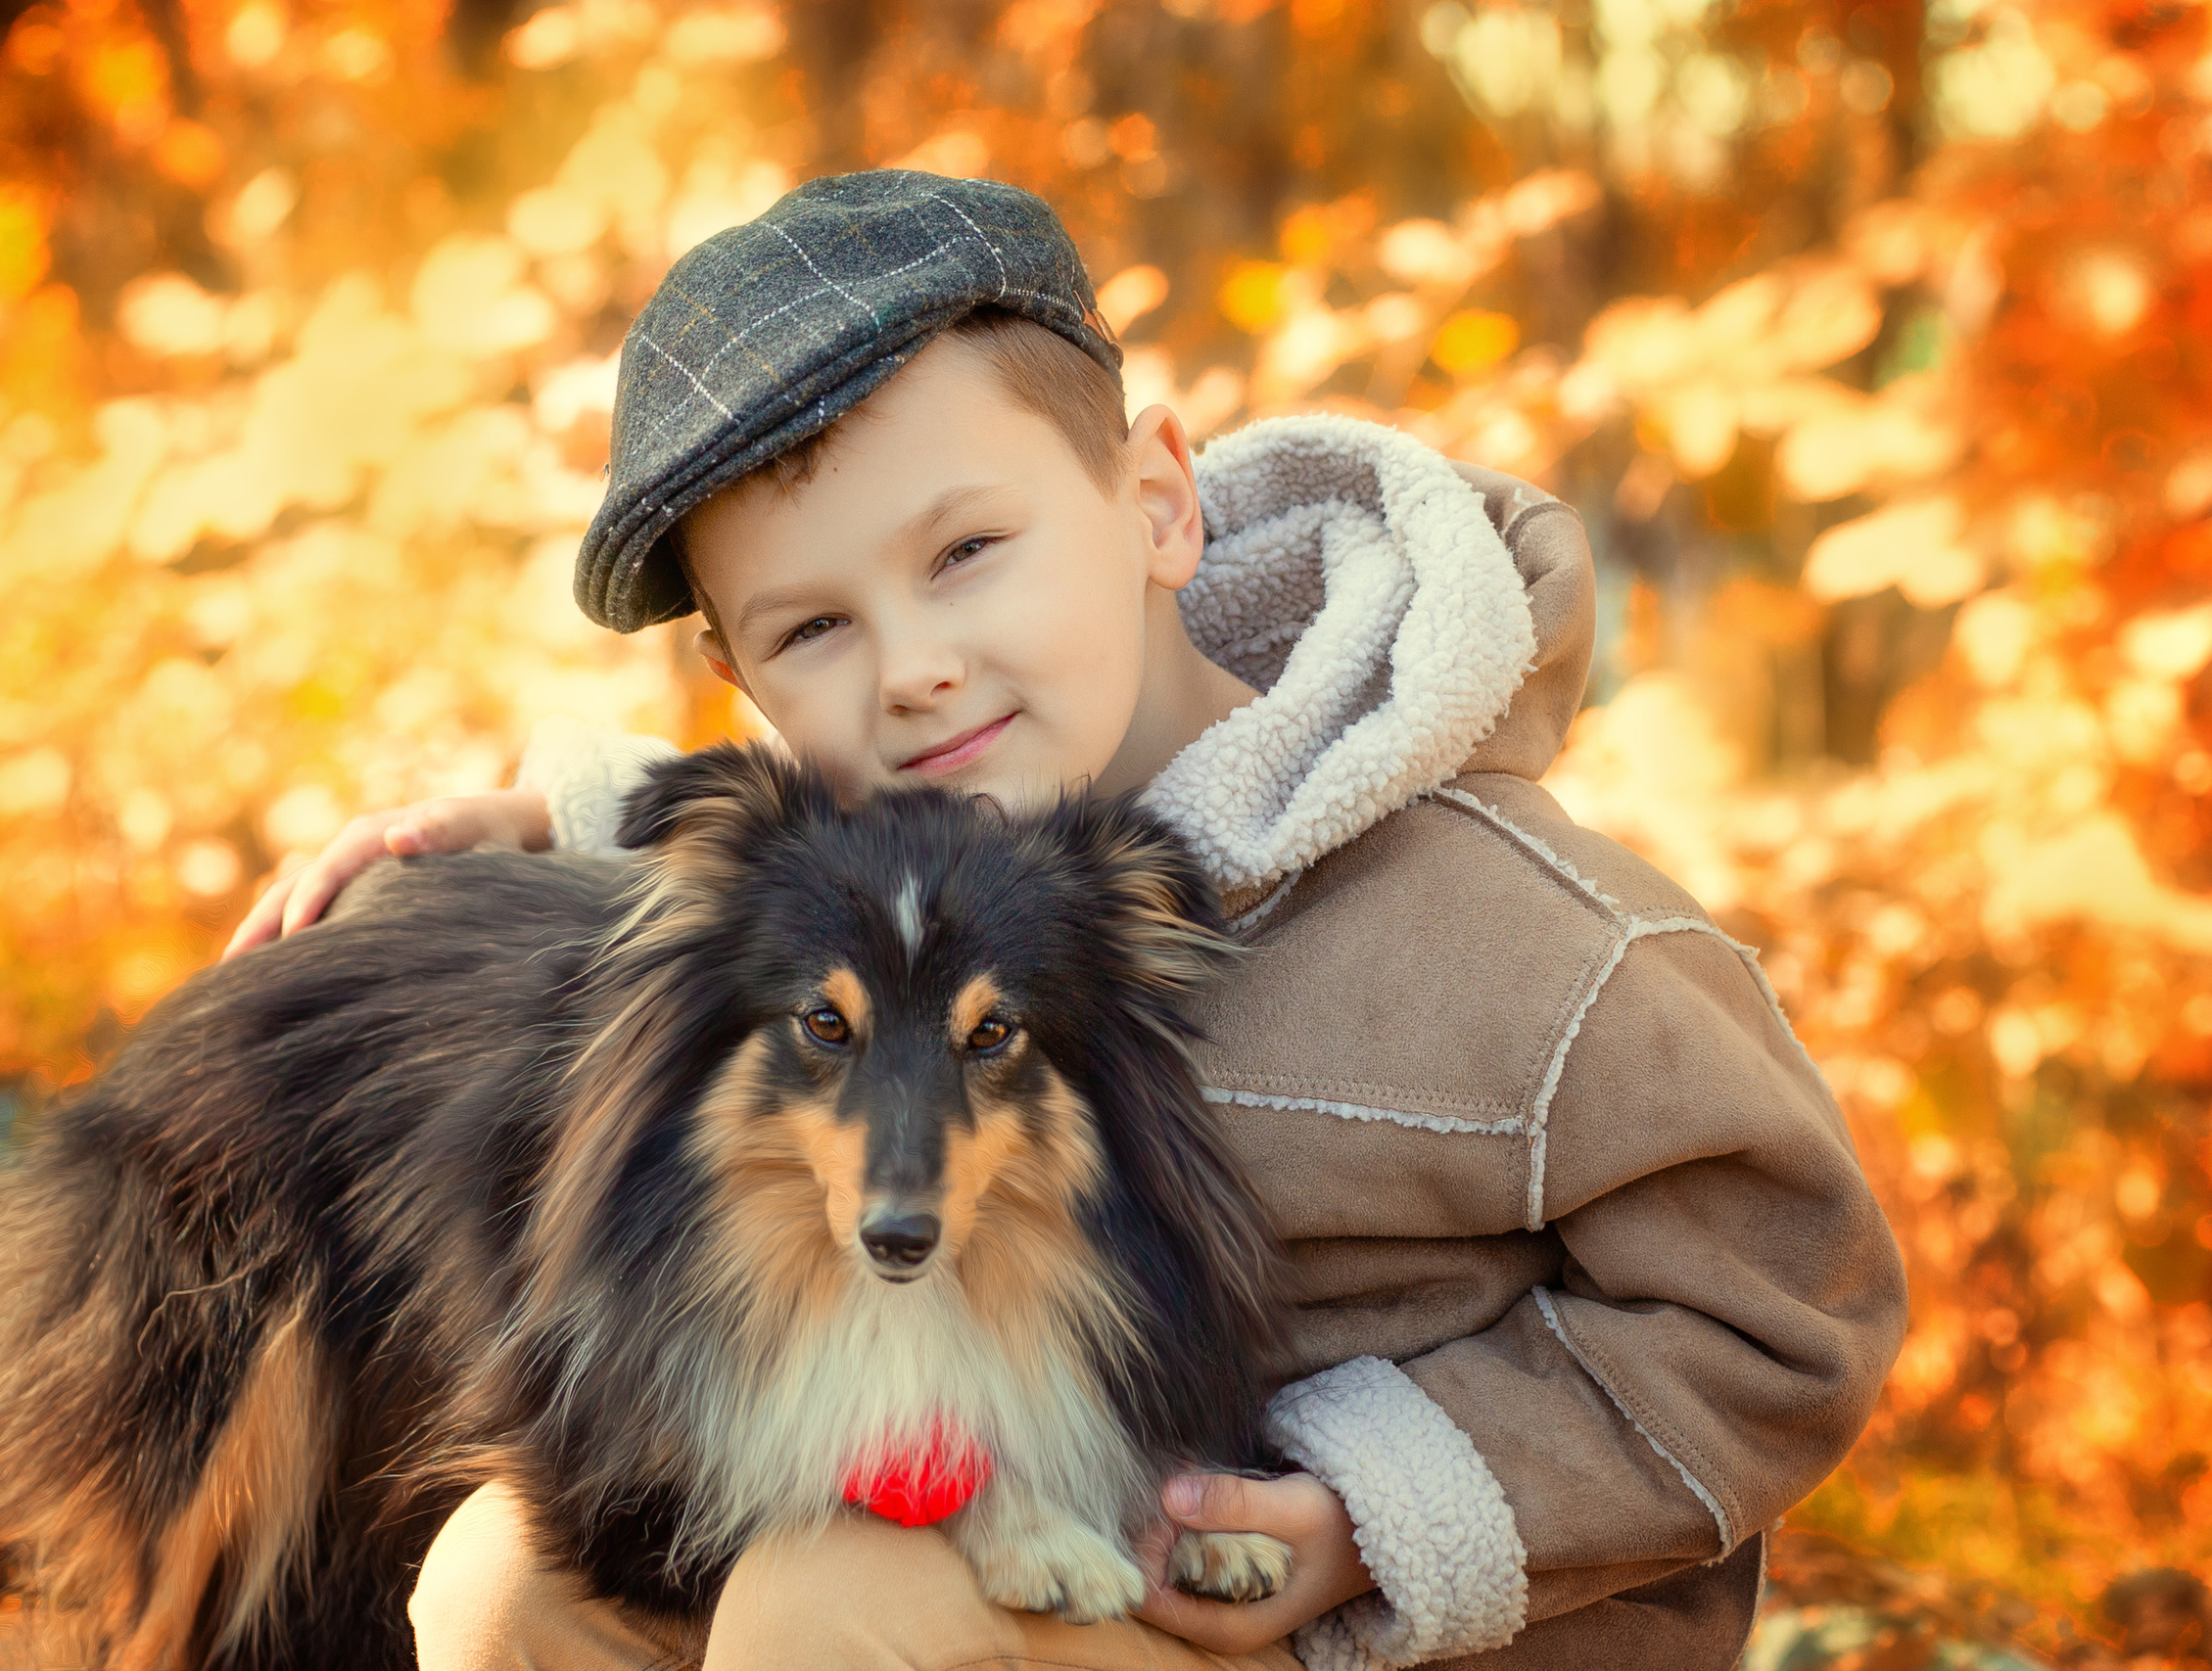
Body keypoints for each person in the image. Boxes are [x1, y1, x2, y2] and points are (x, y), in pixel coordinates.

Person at [224, 171, 1906, 1671]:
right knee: (503, 1582)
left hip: (1361, 1624)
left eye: (966, 551)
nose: (911, 669)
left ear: (1158, 503)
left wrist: (1366, 1513)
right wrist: (552, 817)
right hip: (1043, 1514)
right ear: (744, 690)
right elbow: (794, 891)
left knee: (832, 1612)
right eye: (816, 627)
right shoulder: (949, 856)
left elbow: (1786, 1311)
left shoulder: (1538, 953)